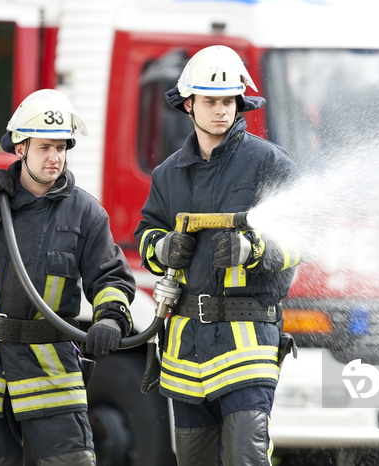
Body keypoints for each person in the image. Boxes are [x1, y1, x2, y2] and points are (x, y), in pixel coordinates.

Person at [0, 89, 135, 466]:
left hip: (50, 371)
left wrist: (110, 317)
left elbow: (110, 278)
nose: (55, 158)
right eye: (44, 147)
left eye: (62, 147)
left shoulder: (86, 214)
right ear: (20, 148)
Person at [134, 45, 300, 466]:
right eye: (211, 101)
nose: (222, 111)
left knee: (246, 456)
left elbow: (303, 240)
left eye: (229, 101)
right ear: (189, 104)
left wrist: (253, 250)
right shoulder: (168, 174)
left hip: (248, 347)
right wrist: (162, 246)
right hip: (185, 354)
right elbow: (146, 234)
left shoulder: (268, 163)